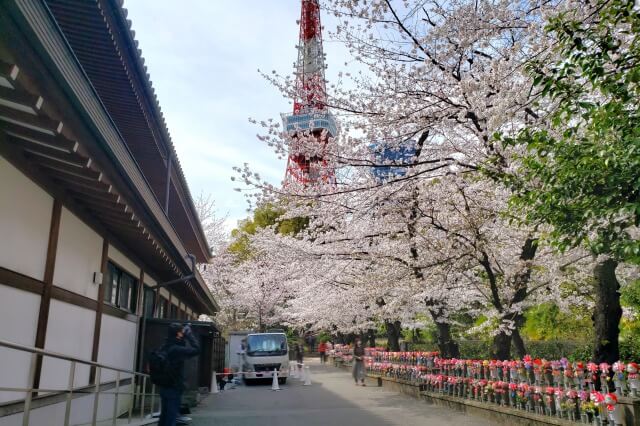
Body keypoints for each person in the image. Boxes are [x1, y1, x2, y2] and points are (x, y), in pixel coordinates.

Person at [158, 323, 200, 426]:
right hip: (173, 387)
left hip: (163, 386)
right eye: (182, 332)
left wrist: (182, 337)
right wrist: (190, 335)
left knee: (164, 416)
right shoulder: (176, 349)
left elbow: (179, 344)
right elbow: (197, 350)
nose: (184, 333)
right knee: (171, 418)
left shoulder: (165, 346)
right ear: (178, 334)